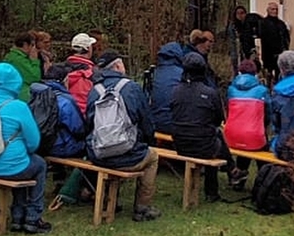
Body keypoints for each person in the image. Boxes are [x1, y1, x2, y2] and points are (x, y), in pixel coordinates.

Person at [0, 61, 51, 234]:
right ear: (15, 82)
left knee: (21, 163)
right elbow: (34, 143)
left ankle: (17, 216)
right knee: (38, 164)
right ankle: (32, 217)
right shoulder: (19, 107)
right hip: (11, 167)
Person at [85, 50, 160, 222]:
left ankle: (108, 199)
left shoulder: (94, 90)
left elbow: (89, 125)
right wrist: (147, 142)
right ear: (118, 66)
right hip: (128, 155)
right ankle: (142, 207)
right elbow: (146, 123)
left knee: (114, 156)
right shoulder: (132, 88)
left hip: (99, 155)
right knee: (153, 157)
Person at [170, 52, 237, 201]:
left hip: (179, 144)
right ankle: (219, 184)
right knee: (214, 136)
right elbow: (219, 119)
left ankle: (231, 170)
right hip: (203, 145)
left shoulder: (175, 91)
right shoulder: (210, 93)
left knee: (211, 135)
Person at [224, 58, 271, 189]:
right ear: (255, 73)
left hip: (232, 136)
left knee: (244, 142)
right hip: (254, 136)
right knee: (260, 147)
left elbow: (228, 111)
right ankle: (264, 182)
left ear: (239, 72)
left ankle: (239, 179)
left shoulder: (230, 90)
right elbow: (269, 113)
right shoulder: (262, 90)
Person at [39, 64, 86, 158]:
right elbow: (78, 129)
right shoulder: (65, 101)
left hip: (40, 145)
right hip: (62, 147)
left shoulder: (36, 95)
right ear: (65, 80)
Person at [2, 32, 41, 102]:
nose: (34, 48)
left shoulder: (15, 57)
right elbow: (34, 77)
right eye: (32, 45)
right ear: (25, 45)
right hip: (22, 96)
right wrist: (34, 61)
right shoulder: (18, 59)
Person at [65, 32, 97, 115]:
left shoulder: (61, 71)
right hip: (86, 115)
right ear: (88, 49)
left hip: (67, 114)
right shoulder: (91, 73)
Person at [258, 2, 290, 83]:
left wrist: (285, 49)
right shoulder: (263, 23)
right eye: (272, 9)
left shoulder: (281, 24)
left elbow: (286, 37)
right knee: (268, 76)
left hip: (280, 54)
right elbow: (262, 37)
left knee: (280, 75)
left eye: (276, 9)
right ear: (268, 10)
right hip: (268, 54)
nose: (275, 11)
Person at [226, 6, 261, 74]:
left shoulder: (250, 24)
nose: (240, 15)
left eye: (242, 13)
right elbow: (232, 42)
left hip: (250, 51)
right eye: (238, 13)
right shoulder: (233, 26)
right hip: (238, 52)